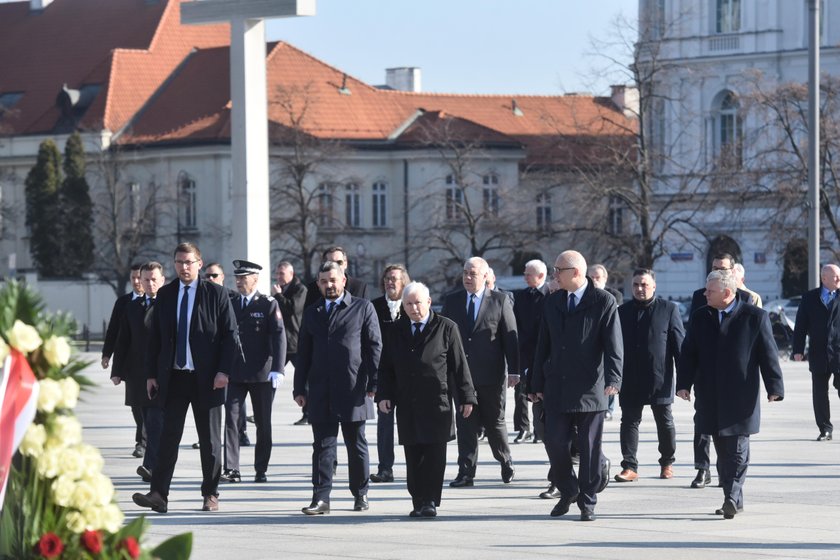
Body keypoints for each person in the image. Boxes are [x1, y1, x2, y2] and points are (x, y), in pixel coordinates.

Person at [132, 242, 239, 514]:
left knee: (211, 442)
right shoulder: (166, 295)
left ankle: (210, 493)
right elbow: (155, 338)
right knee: (167, 439)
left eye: (189, 262)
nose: (184, 267)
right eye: (179, 262)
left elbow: (230, 336)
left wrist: (224, 371)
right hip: (174, 378)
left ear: (199, 264)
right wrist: (151, 375)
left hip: (208, 379)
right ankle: (158, 494)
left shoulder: (216, 294)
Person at [677, 268, 784, 519]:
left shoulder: (754, 317)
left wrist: (774, 387)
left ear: (726, 292)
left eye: (710, 291)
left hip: (740, 395)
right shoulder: (700, 316)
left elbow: (768, 354)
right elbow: (689, 353)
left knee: (737, 447)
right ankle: (734, 496)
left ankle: (732, 496)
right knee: (722, 450)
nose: (705, 294)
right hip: (710, 394)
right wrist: (684, 384)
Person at [530, 250, 622, 522]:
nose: (554, 274)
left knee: (590, 447)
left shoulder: (603, 301)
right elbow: (541, 345)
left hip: (591, 387)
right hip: (556, 384)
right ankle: (568, 490)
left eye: (559, 270)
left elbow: (614, 344)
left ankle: (588, 499)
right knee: (555, 442)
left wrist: (614, 378)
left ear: (577, 273)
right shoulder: (553, 302)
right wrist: (535, 382)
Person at [377, 282, 477, 518]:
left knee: (434, 453)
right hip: (407, 401)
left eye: (418, 302)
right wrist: (384, 395)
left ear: (429, 302)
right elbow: (386, 368)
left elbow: (459, 367)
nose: (414, 308)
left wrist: (467, 398)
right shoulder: (395, 331)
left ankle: (430, 500)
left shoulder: (446, 327)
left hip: (436, 402)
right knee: (413, 454)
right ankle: (418, 499)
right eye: (409, 304)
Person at [293, 261, 382, 515]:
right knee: (322, 446)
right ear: (318, 284)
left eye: (333, 280)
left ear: (344, 280)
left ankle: (360, 493)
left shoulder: (362, 308)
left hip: (355, 387)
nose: (329, 285)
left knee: (356, 445)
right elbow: (304, 353)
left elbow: (374, 347)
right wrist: (300, 388)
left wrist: (375, 382)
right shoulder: (312, 312)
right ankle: (321, 498)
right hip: (321, 389)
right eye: (323, 281)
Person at [442, 256, 519, 487]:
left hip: (491, 375)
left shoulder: (500, 300)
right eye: (465, 272)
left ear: (485, 276)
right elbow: (443, 336)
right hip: (461, 375)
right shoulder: (452, 301)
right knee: (466, 424)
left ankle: (505, 461)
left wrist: (514, 370)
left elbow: (510, 337)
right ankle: (466, 472)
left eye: (472, 273)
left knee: (495, 422)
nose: (467, 277)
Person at [687, 253, 758, 489]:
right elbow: (692, 342)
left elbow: (758, 341)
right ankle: (702, 468)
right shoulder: (701, 296)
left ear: (733, 270)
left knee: (734, 438)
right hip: (707, 378)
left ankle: (730, 485)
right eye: (715, 267)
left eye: (723, 268)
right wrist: (685, 381)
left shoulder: (748, 299)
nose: (718, 270)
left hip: (736, 382)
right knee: (703, 425)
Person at [614, 268, 684, 482]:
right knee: (629, 422)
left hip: (659, 377)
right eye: (635, 284)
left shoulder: (668, 309)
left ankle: (667, 463)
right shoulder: (621, 312)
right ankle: (629, 466)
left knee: (664, 421)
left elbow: (679, 346)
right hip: (630, 377)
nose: (639, 288)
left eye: (644, 284)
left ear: (654, 286)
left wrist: (685, 381)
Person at [221, 260, 286, 484]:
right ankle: (232, 469)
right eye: (237, 278)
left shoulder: (268, 304)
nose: (239, 281)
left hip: (261, 374)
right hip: (236, 372)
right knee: (231, 419)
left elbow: (279, 336)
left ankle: (261, 468)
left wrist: (278, 369)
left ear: (255, 279)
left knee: (263, 423)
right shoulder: (230, 303)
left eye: (244, 278)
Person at [112, 261, 165, 483]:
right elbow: (123, 339)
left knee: (154, 420)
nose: (150, 283)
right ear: (140, 282)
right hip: (137, 373)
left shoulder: (170, 304)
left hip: (162, 373)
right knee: (142, 416)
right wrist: (117, 370)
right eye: (146, 280)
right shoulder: (132, 307)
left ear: (162, 280)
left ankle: (150, 465)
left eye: (154, 279)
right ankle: (154, 462)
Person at [370, 264, 410, 483]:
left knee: (410, 422)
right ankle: (385, 467)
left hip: (408, 375)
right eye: (386, 278)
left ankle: (415, 464)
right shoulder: (374, 306)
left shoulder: (411, 304)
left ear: (403, 281)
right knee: (384, 424)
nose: (389, 282)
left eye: (394, 278)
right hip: (384, 374)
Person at [792, 263, 840, 441]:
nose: (838, 279)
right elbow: (801, 325)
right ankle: (825, 429)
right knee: (819, 394)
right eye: (835, 276)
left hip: (838, 352)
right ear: (824, 278)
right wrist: (797, 349)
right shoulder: (810, 298)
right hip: (818, 353)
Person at [205, 261, 250, 447]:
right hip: (210, 355)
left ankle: (241, 431)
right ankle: (208, 436)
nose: (210, 279)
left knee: (234, 397)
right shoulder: (203, 297)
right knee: (211, 400)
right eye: (207, 276)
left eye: (214, 275)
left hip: (230, 354)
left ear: (222, 277)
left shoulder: (232, 297)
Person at [103, 263, 145, 458]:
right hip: (131, 363)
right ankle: (143, 439)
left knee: (150, 406)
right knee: (136, 404)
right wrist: (107, 355)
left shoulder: (160, 301)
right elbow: (113, 331)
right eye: (133, 278)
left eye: (140, 277)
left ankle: (144, 442)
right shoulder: (124, 302)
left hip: (153, 364)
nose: (137, 282)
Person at [512, 260, 549, 444]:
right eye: (525, 273)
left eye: (529, 274)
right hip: (524, 351)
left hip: (542, 352)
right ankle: (522, 428)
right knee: (520, 392)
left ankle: (538, 429)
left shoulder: (550, 294)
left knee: (538, 392)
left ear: (541, 276)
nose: (525, 277)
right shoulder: (520, 296)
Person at [272, 261, 309, 425]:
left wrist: (278, 296)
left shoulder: (300, 289)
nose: (278, 277)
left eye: (282, 273)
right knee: (271, 376)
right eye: (277, 273)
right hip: (281, 342)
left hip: (296, 342)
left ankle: (308, 413)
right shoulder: (280, 290)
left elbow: (292, 308)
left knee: (303, 378)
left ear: (291, 274)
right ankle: (263, 409)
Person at [588, 263, 622, 420]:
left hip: (609, 339)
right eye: (591, 277)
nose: (594, 280)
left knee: (609, 374)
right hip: (592, 342)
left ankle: (609, 407)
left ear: (605, 278)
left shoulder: (613, 295)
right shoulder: (586, 295)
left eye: (597, 277)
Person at [303, 246, 369, 309]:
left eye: (339, 262)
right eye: (331, 263)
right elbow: (308, 317)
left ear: (345, 264)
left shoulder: (360, 287)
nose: (335, 266)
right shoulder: (314, 288)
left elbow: (366, 314)